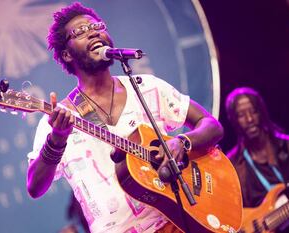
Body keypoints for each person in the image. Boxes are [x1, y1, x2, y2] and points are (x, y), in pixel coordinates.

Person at [27, 2, 223, 233]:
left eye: (97, 26)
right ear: (67, 54)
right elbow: (35, 187)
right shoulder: (59, 119)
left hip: (179, 221)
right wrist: (57, 140)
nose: (93, 32)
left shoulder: (147, 87)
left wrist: (182, 142)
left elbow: (211, 126)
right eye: (80, 31)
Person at [225, 87, 289, 231]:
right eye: (241, 115)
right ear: (234, 120)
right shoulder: (232, 167)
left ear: (262, 113)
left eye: (253, 111)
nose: (249, 119)